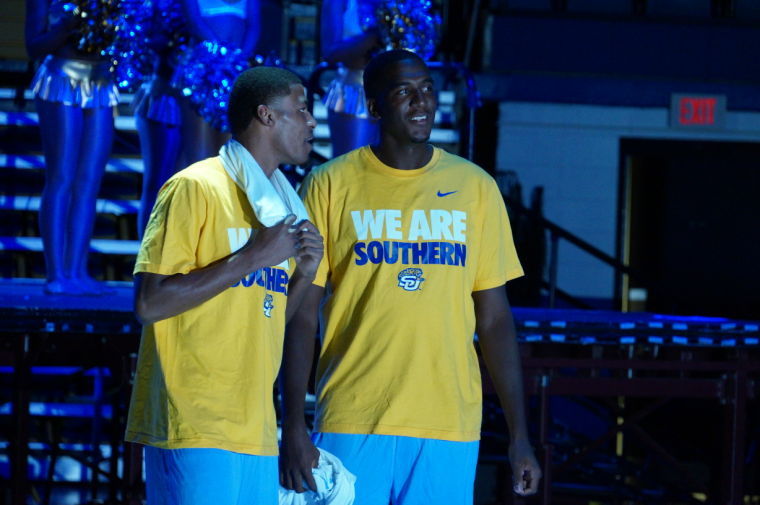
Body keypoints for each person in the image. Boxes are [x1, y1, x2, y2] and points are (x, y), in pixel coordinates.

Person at [279, 50, 542, 504]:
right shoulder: (329, 184)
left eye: (427, 89)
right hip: (352, 416)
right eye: (404, 91)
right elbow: (301, 314)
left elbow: (495, 319)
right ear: (375, 106)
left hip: (448, 423)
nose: (421, 102)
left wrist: (519, 435)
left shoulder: (475, 187)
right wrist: (293, 424)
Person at [125, 66, 322, 504]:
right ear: (267, 116)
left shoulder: (281, 208)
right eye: (302, 108)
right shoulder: (196, 186)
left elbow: (263, 317)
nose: (311, 121)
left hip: (252, 427)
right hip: (193, 425)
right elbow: (149, 303)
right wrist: (252, 256)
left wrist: (304, 276)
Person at [26, 0, 119, 295]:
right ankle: (56, 273)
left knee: (89, 182)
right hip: (61, 78)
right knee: (61, 177)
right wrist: (65, 28)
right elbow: (33, 46)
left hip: (101, 81)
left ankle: (77, 270)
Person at [176, 0, 261, 168]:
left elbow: (254, 26)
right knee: (199, 150)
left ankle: (221, 193)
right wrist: (221, 54)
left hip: (235, 72)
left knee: (229, 151)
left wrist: (238, 59)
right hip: (203, 72)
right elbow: (194, 21)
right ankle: (192, 192)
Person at [320, 0, 382, 157]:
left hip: (394, 92)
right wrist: (370, 39)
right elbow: (330, 51)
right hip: (355, 94)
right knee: (354, 168)